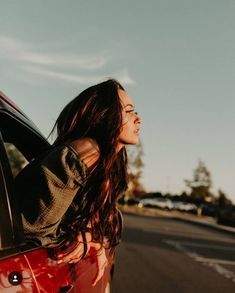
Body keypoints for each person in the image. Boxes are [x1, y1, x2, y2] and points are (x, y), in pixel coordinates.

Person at [15, 78, 141, 286]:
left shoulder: (106, 167)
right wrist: (84, 242)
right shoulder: (86, 151)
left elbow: (94, 214)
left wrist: (91, 236)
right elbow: (33, 229)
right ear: (103, 115)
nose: (138, 119)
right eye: (128, 111)